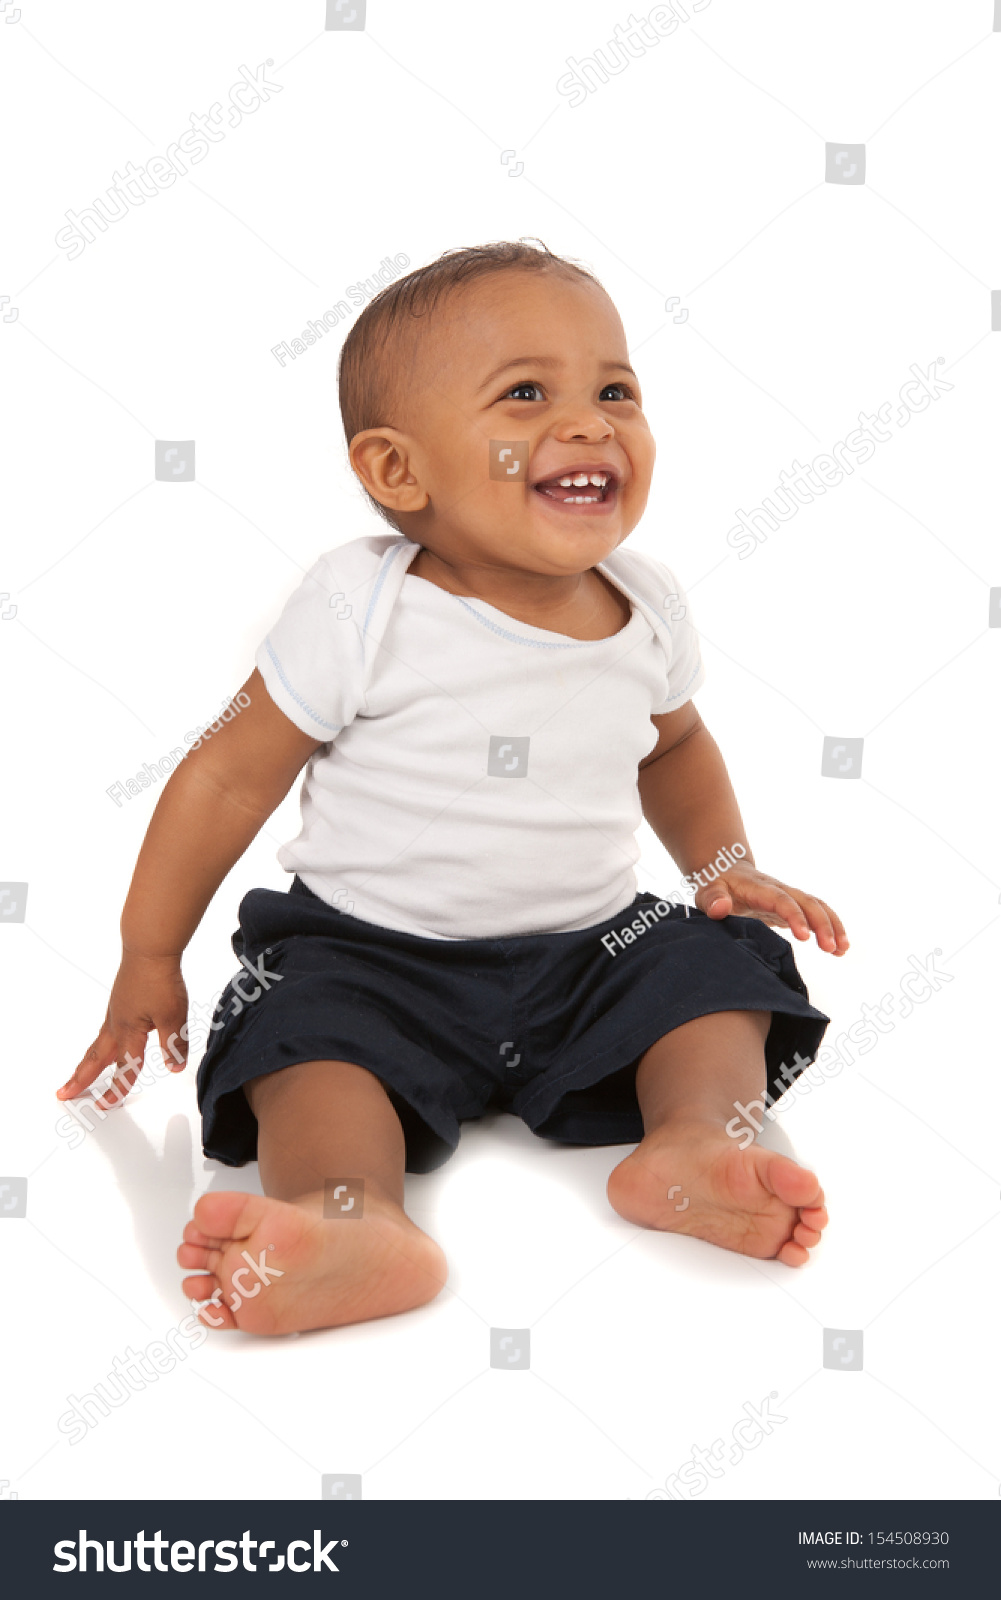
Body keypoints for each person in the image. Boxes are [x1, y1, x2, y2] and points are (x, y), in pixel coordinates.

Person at [59, 241, 846, 1336]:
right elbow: (227, 776)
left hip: (592, 951)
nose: (588, 422)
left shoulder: (645, 601)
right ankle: (346, 1216)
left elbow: (671, 748)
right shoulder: (359, 606)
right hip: (373, 954)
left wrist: (722, 868)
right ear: (396, 473)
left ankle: (695, 1145)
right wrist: (149, 953)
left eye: (613, 389)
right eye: (526, 393)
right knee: (304, 1035)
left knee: (716, 977)